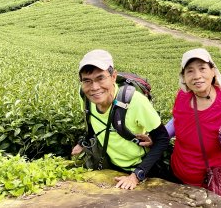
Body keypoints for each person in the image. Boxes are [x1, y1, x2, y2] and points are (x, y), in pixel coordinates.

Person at [71, 50, 169, 190]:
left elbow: (162, 139)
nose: (94, 87)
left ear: (113, 77)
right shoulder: (86, 97)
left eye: (100, 78)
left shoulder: (135, 102)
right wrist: (84, 141)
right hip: (111, 163)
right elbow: (92, 121)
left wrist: (136, 175)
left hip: (141, 167)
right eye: (87, 81)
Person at [167, 49, 221, 191]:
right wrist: (158, 136)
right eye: (190, 71)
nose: (197, 76)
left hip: (210, 184)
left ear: (213, 71)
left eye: (202, 68)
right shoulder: (182, 96)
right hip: (178, 175)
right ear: (184, 77)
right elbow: (177, 120)